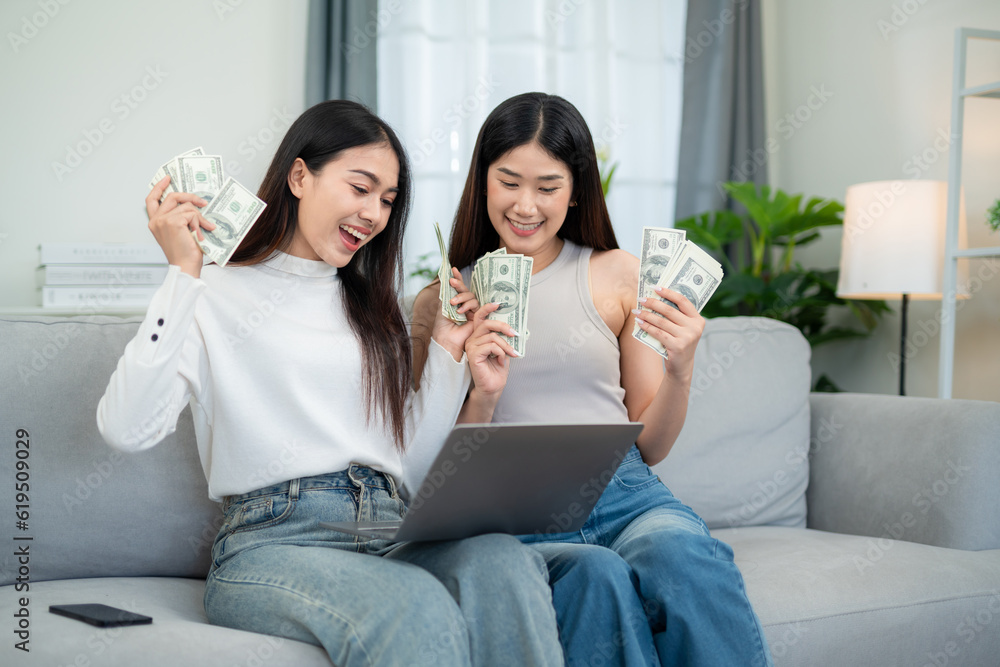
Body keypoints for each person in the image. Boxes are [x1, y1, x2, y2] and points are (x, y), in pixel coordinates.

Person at [96, 99, 564, 667]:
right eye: (360, 188)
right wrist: (182, 274)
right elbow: (126, 428)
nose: (374, 213)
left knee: (502, 561)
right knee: (411, 602)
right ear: (300, 176)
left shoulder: (373, 311)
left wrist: (448, 356)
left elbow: (409, 472)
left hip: (391, 531)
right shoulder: (212, 292)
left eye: (388, 200)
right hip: (273, 542)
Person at [412, 92, 773, 666]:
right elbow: (427, 456)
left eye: (548, 187)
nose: (526, 205)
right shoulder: (443, 301)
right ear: (481, 181)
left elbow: (650, 444)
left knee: (682, 556)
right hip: (512, 510)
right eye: (508, 181)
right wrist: (483, 391)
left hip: (623, 493)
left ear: (576, 189)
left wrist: (681, 370)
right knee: (595, 579)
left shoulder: (619, 275)